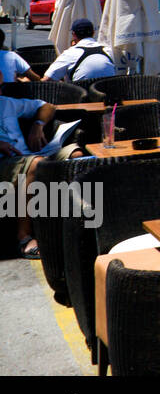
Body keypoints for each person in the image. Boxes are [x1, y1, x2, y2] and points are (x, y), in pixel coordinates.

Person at [0, 92, 81, 259]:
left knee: (76, 156)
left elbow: (47, 107)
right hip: (5, 163)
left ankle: (77, 227)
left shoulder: (7, 103)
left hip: (28, 155)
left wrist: (38, 125)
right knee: (36, 164)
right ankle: (24, 237)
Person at [43, 19, 116, 84]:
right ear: (93, 33)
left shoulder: (70, 53)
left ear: (74, 34)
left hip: (82, 96)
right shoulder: (108, 50)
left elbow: (47, 79)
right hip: (109, 95)